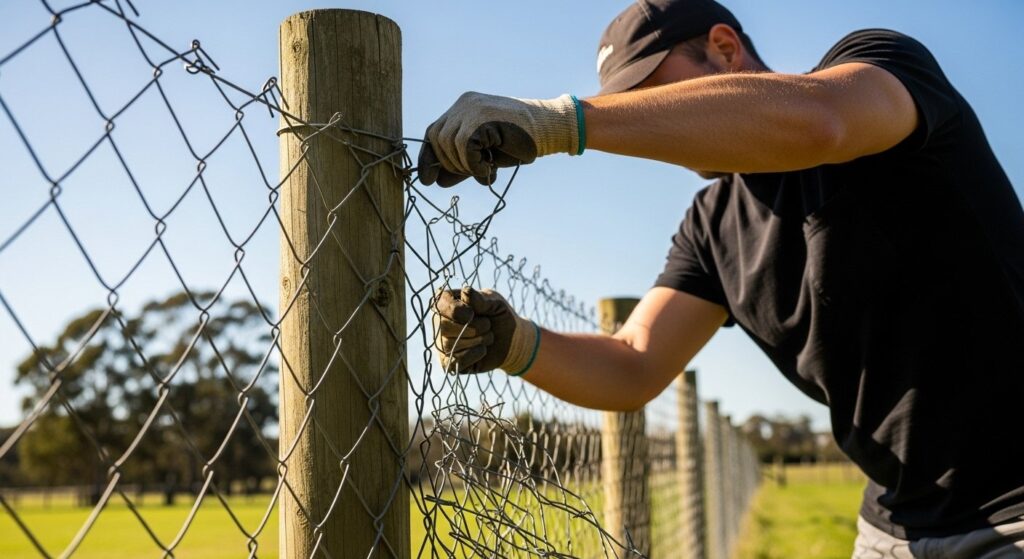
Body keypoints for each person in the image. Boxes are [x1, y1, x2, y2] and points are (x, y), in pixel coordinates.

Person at [422, 1, 1024, 556]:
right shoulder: (712, 227)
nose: (649, 127)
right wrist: (514, 343)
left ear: (725, 48)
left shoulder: (879, 69)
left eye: (653, 95)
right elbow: (633, 363)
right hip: (895, 524)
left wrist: (562, 123)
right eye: (630, 104)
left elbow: (821, 123)